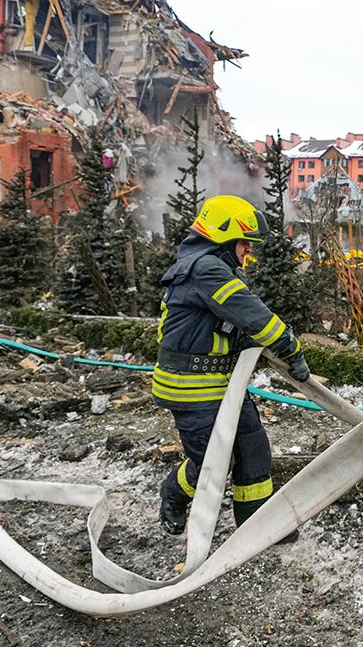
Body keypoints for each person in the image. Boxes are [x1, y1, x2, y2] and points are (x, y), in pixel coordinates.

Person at [153, 195, 311, 538]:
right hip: (191, 387)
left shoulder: (210, 269)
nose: (247, 252)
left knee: (253, 449)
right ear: (222, 236)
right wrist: (290, 348)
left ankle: (258, 528)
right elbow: (254, 315)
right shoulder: (206, 270)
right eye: (244, 243)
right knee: (212, 463)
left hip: (222, 384)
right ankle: (174, 495)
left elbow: (227, 326)